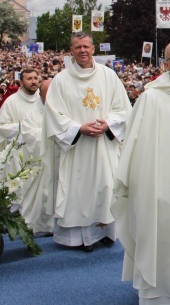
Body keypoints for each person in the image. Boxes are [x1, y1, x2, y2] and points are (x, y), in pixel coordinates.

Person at [112, 40, 170, 305]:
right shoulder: (151, 97)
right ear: (166, 64)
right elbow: (138, 147)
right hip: (160, 182)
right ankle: (161, 294)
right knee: (167, 233)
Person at [43, 32, 131, 252]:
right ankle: (83, 238)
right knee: (79, 190)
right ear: (70, 51)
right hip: (78, 148)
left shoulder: (109, 76)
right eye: (77, 47)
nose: (82, 50)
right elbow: (53, 115)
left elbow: (123, 108)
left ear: (93, 49)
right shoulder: (61, 80)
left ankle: (105, 233)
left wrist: (108, 124)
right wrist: (78, 128)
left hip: (103, 145)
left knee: (106, 185)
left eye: (86, 46)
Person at [20, 79, 55, 236]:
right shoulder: (32, 114)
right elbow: (28, 136)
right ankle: (42, 225)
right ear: (40, 95)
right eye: (48, 93)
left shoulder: (64, 110)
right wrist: (50, 135)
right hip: (41, 163)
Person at [0, 67, 41, 181]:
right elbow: (0, 126)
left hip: (40, 151)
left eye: (35, 78)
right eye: (29, 79)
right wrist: (23, 127)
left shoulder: (44, 99)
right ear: (20, 82)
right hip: (19, 153)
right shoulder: (11, 101)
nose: (33, 81)